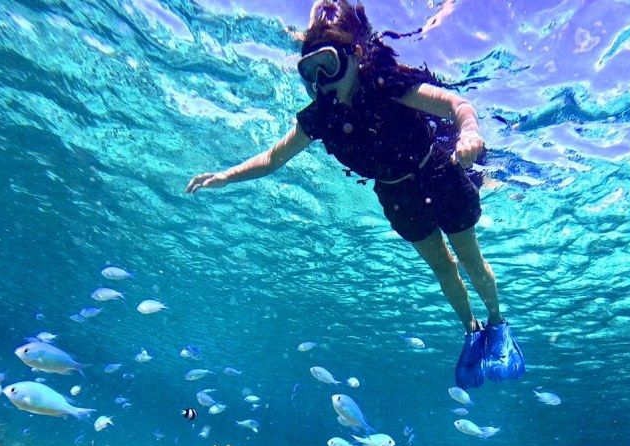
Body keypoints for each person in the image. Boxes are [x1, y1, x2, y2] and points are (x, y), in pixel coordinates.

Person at [185, 0, 524, 388]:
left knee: (469, 258)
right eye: (311, 70)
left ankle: (498, 325)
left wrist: (469, 132)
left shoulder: (385, 83)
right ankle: (471, 331)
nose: (321, 78)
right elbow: (273, 158)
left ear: (355, 53)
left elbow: (455, 104)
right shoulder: (322, 116)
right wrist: (226, 176)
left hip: (438, 172)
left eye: (327, 63)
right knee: (442, 268)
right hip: (397, 196)